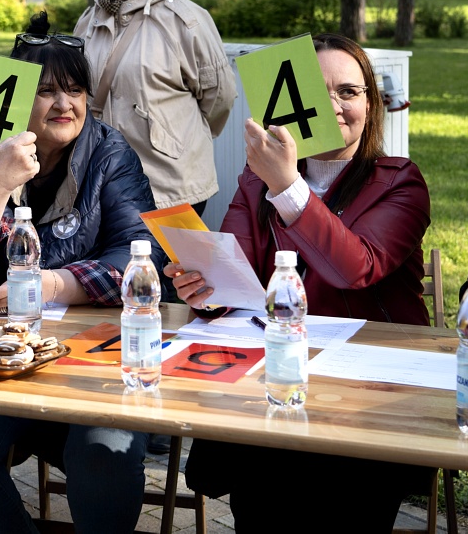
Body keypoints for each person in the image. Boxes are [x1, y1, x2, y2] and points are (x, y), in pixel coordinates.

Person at [166, 33, 433, 532]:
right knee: (262, 492)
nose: (333, 105)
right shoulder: (255, 180)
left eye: (349, 92)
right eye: (317, 90)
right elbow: (237, 280)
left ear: (371, 106)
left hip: (367, 393)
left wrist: (288, 186)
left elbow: (355, 268)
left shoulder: (400, 180)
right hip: (273, 386)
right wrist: (204, 290)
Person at [0, 12, 161, 534]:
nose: (64, 105)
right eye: (47, 91)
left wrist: (51, 285)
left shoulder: (110, 153)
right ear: (15, 98)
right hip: (7, 356)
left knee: (103, 452)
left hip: (95, 363)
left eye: (75, 90)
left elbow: (141, 257)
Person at [75, 0, 235, 214]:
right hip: (104, 185)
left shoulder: (186, 19)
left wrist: (175, 141)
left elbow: (220, 98)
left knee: (168, 249)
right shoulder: (88, 22)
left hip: (170, 186)